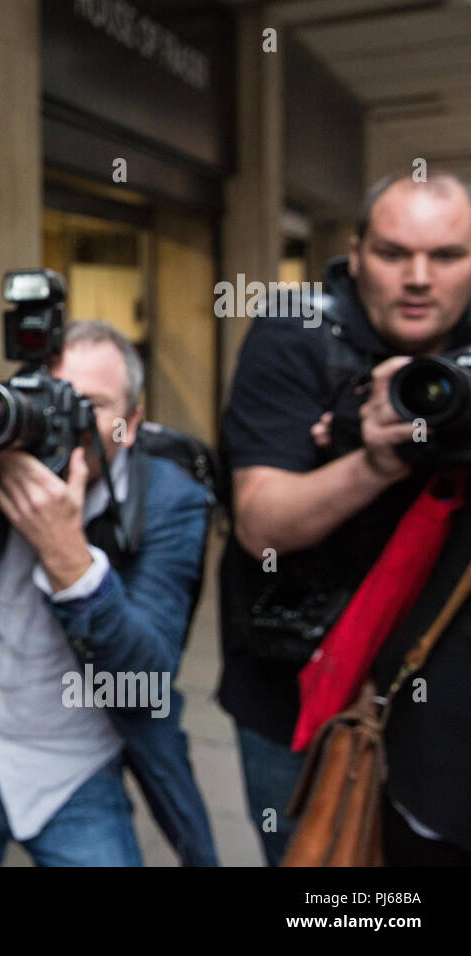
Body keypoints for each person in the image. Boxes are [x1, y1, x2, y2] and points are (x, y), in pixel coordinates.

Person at [0, 320, 218, 866]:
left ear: (132, 423)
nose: (61, 424)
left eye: (87, 404)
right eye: (46, 398)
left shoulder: (170, 500)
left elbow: (147, 681)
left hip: (76, 775)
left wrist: (68, 557)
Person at [218, 170, 471, 866]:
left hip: (439, 693)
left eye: (448, 256)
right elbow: (260, 526)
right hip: (300, 691)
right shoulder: (296, 333)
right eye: (393, 253)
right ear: (354, 253)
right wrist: (376, 460)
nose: (419, 278)